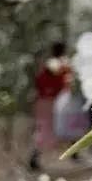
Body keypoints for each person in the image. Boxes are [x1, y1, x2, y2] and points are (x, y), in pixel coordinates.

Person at [31, 41, 71, 171]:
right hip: (49, 101)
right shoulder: (54, 64)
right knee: (44, 130)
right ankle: (34, 158)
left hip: (53, 101)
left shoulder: (60, 64)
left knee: (68, 126)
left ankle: (75, 153)